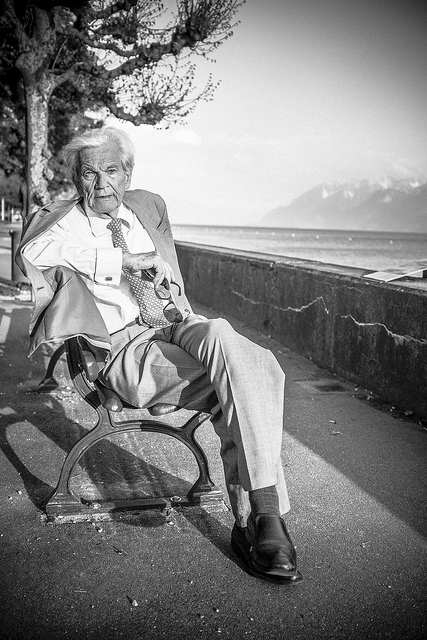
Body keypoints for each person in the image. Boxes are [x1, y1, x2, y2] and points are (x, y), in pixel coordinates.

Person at [17, 126, 302, 584]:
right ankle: (262, 518)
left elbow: (166, 253)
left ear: (128, 173)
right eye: (90, 173)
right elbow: (31, 251)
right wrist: (120, 262)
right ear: (76, 179)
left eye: (112, 170)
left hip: (175, 321)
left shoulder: (147, 206)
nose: (102, 183)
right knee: (249, 378)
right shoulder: (64, 223)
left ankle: (258, 518)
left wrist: (167, 281)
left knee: (236, 346)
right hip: (124, 345)